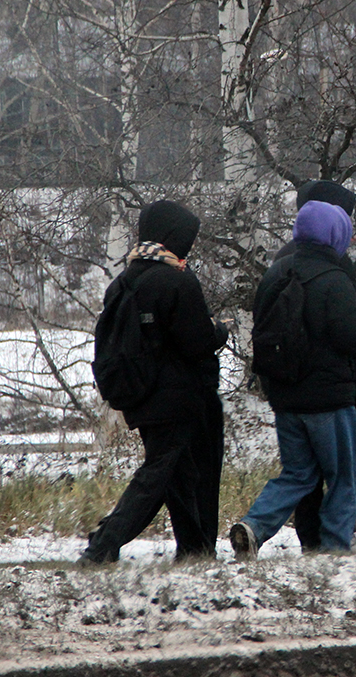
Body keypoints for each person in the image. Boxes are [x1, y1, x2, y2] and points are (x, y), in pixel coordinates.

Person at [80, 199, 231, 565]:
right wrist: (220, 331)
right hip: (180, 398)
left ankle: (196, 552)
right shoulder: (175, 281)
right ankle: (104, 544)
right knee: (160, 475)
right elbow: (198, 342)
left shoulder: (124, 281)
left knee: (178, 475)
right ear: (174, 237)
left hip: (142, 395)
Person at [231, 200, 356, 557]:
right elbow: (354, 337)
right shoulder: (334, 279)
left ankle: (255, 525)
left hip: (285, 397)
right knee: (341, 477)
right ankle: (335, 550)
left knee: (297, 474)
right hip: (329, 400)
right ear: (335, 235)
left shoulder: (276, 273)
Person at [285, 180, 356, 552]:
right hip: (331, 377)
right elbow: (346, 326)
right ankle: (327, 534)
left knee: (312, 466)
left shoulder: (292, 258)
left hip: (303, 377)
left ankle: (320, 533)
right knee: (355, 456)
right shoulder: (329, 263)